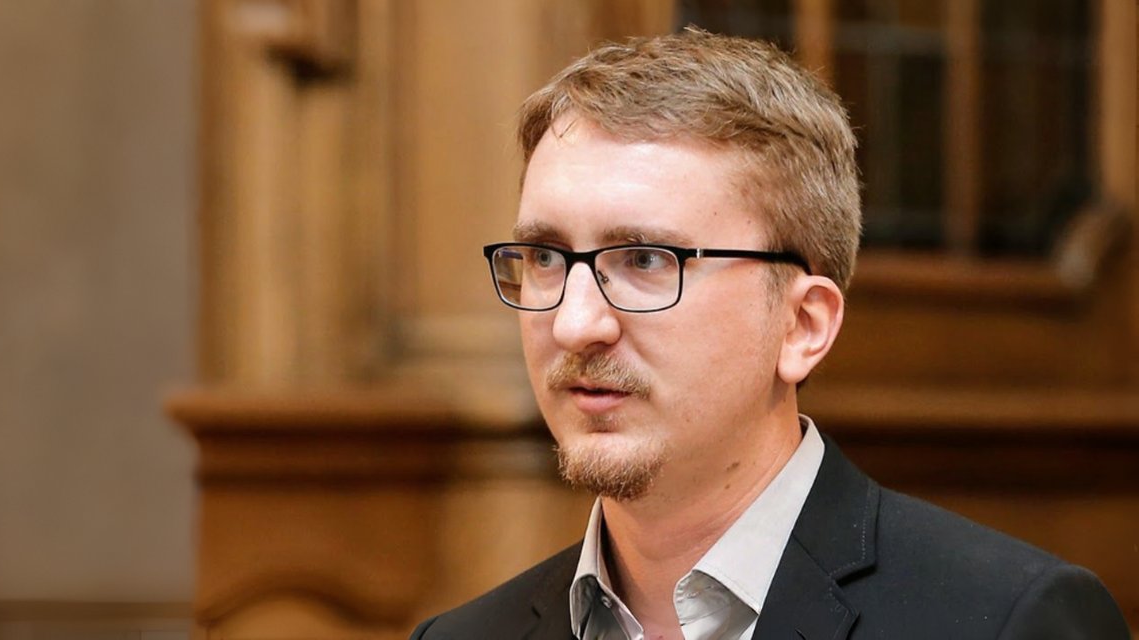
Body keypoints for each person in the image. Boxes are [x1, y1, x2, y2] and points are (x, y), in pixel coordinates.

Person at [410, 28, 1130, 640]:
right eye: (544, 259)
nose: (574, 323)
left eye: (646, 261)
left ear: (802, 324)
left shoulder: (1005, 620)